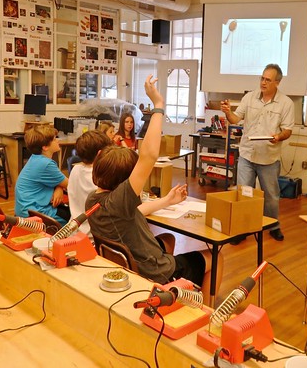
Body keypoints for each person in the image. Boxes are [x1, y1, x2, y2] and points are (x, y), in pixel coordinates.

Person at [85, 75, 222, 304]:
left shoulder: (95, 199)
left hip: (126, 261)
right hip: (150, 270)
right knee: (215, 256)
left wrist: (167, 201)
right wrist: (158, 105)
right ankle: (205, 312)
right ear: (126, 180)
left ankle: (173, 288)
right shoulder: (120, 199)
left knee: (167, 238)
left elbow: (136, 213)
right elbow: (148, 155)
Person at [220, 63, 294, 241]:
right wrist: (227, 113)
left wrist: (278, 136)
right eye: (262, 78)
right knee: (244, 193)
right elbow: (236, 119)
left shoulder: (286, 103)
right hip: (247, 153)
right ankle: (243, 229)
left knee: (271, 196)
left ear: (277, 82)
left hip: (268, 157)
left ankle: (273, 226)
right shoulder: (249, 97)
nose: (263, 82)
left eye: (268, 80)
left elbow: (288, 130)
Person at [15, 125, 70, 226]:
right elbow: (70, 185)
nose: (58, 141)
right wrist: (60, 186)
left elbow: (59, 182)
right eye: (54, 139)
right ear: (45, 147)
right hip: (34, 214)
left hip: (24, 210)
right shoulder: (46, 164)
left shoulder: (35, 158)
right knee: (73, 219)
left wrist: (59, 187)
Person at [67, 130, 112, 239]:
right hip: (92, 238)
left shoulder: (75, 169)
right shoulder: (101, 177)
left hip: (73, 232)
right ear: (100, 154)